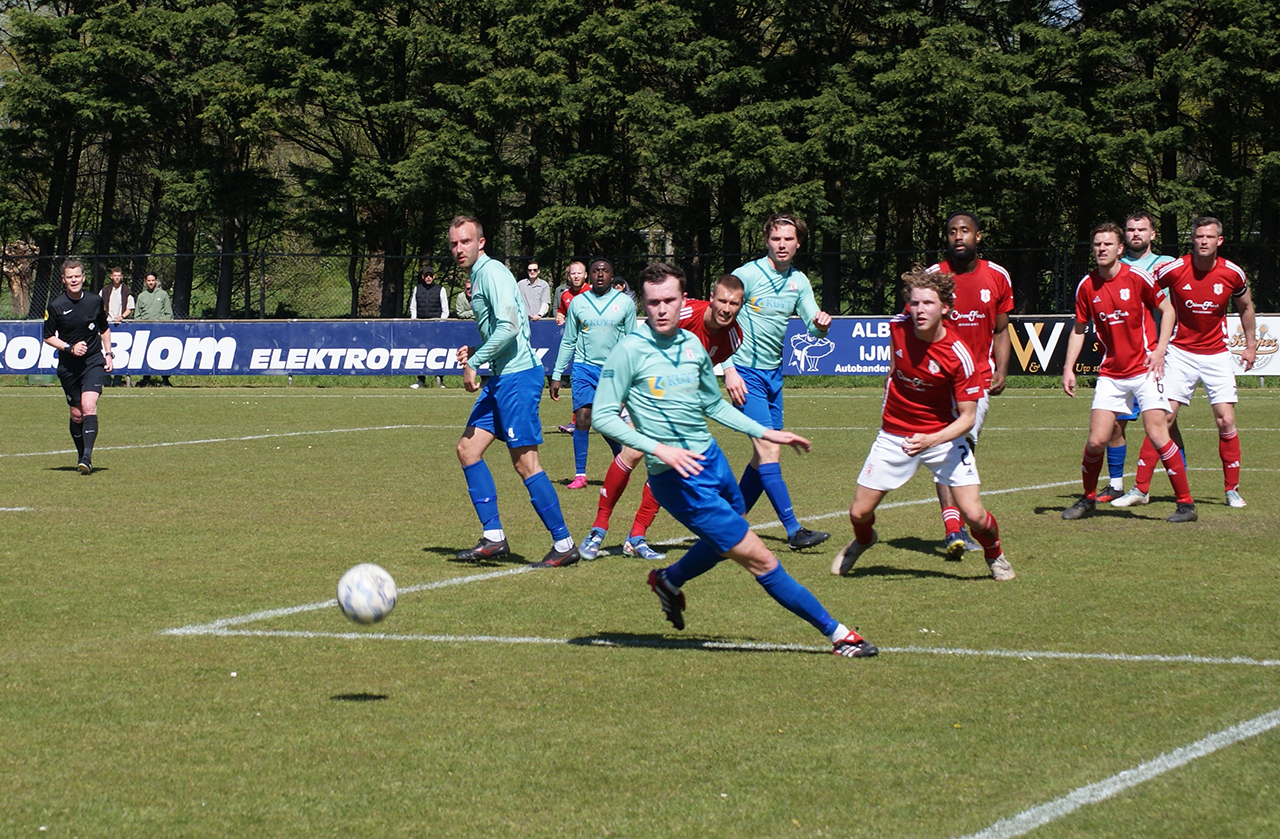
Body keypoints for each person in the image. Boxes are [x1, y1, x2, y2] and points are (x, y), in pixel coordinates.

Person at [592, 262, 877, 657]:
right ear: (644, 302)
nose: (661, 309)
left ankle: (669, 580)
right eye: (653, 301)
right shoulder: (629, 351)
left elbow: (712, 402)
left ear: (682, 301)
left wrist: (765, 432)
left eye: (669, 300)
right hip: (676, 478)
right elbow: (603, 415)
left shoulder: (692, 347)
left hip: (712, 458)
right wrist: (658, 448)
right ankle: (839, 633)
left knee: (735, 521)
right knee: (759, 556)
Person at [832, 268, 1014, 580]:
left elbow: (967, 419)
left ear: (945, 307)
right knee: (858, 513)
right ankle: (864, 540)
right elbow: (894, 369)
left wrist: (931, 439)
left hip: (942, 437)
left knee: (974, 515)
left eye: (928, 303)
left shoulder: (959, 355)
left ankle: (995, 556)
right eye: (914, 303)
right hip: (894, 435)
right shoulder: (897, 328)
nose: (920, 310)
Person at [579, 273, 745, 561]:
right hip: (645, 385)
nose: (727, 308)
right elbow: (647, 336)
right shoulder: (687, 311)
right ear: (712, 299)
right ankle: (598, 529)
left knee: (669, 463)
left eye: (734, 303)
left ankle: (637, 537)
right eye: (722, 300)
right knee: (632, 453)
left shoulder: (734, 337)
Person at [448, 216, 578, 567]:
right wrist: (477, 353)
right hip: (502, 377)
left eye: (465, 241)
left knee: (526, 463)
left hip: (518, 378)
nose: (459, 248)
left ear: (481, 242)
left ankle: (564, 543)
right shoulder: (479, 276)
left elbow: (510, 326)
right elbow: (503, 332)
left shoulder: (491, 273)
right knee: (467, 449)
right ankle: (493, 538)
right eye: (454, 243)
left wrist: (476, 362)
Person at [1115, 216, 1258, 509]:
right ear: (1192, 239)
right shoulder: (1175, 269)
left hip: (1217, 354)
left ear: (1219, 241)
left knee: (1226, 419)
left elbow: (1245, 307)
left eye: (1209, 237)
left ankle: (1232, 490)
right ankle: (1140, 489)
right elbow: (1143, 292)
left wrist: (1251, 344)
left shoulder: (1233, 273)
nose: (1203, 241)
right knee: (1163, 418)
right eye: (1198, 236)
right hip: (1179, 353)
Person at [1060, 222, 1196, 523]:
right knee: (1096, 440)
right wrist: (1069, 368)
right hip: (1111, 372)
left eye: (1108, 244)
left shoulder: (1137, 277)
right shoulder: (1087, 285)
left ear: (1120, 249)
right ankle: (1088, 499)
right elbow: (1079, 330)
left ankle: (1186, 504)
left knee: (1158, 434)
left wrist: (1160, 349)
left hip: (1145, 370)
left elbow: (1168, 310)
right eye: (1097, 244)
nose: (1101, 249)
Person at [723, 213, 829, 550]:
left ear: (798, 243)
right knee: (769, 450)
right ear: (766, 241)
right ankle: (794, 530)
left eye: (788, 239)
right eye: (775, 239)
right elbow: (720, 321)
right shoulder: (746, 275)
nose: (782, 245)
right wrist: (728, 369)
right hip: (745, 372)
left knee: (762, 457)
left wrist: (821, 324)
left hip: (773, 375)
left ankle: (727, 521)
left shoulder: (799, 281)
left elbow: (812, 325)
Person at [922, 212, 1013, 559]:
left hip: (977, 380)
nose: (958, 236)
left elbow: (1001, 329)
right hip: (940, 380)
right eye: (952, 232)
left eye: (965, 231)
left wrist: (1002, 369)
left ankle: (956, 525)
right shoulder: (934, 277)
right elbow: (913, 325)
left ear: (978, 235)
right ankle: (953, 529)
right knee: (951, 449)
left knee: (963, 451)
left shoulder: (997, 276)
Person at [1096, 212, 1181, 502]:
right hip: (1123, 362)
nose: (1136, 234)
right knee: (1117, 423)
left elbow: (1172, 305)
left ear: (1153, 234)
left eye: (1141, 229)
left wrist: (1166, 347)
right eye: (1130, 229)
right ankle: (1117, 484)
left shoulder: (1165, 265)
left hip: (1159, 356)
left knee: (1165, 423)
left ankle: (1176, 491)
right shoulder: (1113, 267)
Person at [550, 258, 636, 489]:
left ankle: (622, 463)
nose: (600, 274)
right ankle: (580, 475)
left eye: (605, 271)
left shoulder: (624, 304)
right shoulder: (579, 303)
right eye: (596, 270)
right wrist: (557, 375)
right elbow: (568, 340)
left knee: (605, 422)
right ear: (590, 275)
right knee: (582, 419)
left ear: (611, 275)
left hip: (613, 371)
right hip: (583, 368)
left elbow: (632, 342)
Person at [42, 259, 112, 475]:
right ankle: (81, 455)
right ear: (64, 280)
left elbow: (104, 328)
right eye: (69, 277)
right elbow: (47, 337)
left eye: (77, 276)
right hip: (69, 366)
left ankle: (87, 457)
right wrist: (69, 347)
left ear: (83, 277)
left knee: (88, 405)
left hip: (93, 361)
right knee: (76, 414)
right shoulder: (55, 306)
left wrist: (108, 354)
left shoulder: (94, 300)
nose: (74, 280)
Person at [554, 261, 589, 432]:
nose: (575, 276)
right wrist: (560, 316)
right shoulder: (565, 295)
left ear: (585, 275)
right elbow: (562, 311)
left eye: (579, 273)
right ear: (568, 276)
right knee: (578, 384)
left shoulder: (593, 292)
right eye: (572, 273)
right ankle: (576, 423)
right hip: (578, 349)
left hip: (597, 350)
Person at [408, 265, 448, 388]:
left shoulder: (441, 289)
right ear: (423, 277)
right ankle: (421, 380)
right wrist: (415, 323)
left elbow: (445, 310)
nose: (429, 278)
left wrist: (440, 324)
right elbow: (413, 307)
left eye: (431, 275)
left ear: (434, 277)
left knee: (438, 351)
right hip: (421, 326)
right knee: (420, 352)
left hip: (436, 327)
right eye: (426, 276)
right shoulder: (417, 289)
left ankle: (439, 379)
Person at [134, 272, 173, 386]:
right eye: (148, 280)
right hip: (146, 330)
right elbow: (137, 315)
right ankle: (146, 378)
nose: (150, 282)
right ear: (146, 282)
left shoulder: (163, 294)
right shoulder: (142, 296)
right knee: (146, 354)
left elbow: (168, 313)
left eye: (152, 280)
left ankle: (165, 379)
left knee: (163, 354)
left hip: (160, 330)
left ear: (156, 281)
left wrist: (162, 323)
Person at [101, 267, 133, 386]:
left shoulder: (126, 291)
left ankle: (118, 378)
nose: (117, 277)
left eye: (119, 275)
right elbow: (98, 306)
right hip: (107, 324)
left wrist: (121, 317)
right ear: (111, 276)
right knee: (106, 350)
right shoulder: (104, 291)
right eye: (115, 275)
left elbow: (129, 308)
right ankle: (106, 377)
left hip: (120, 325)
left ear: (122, 276)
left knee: (120, 352)